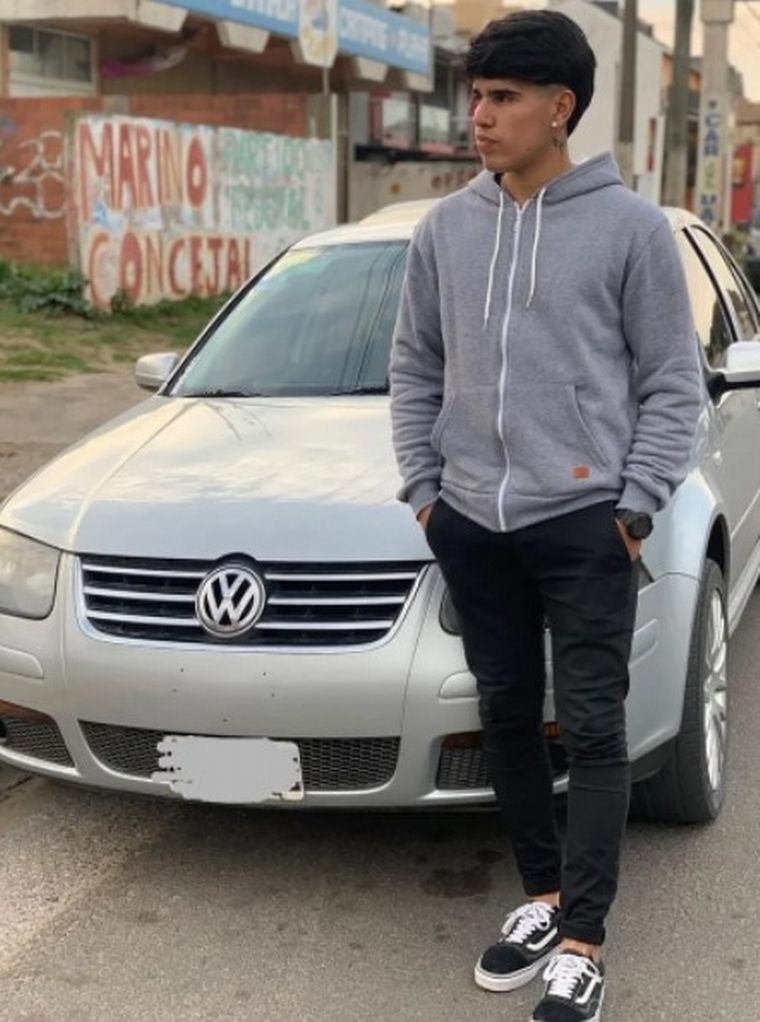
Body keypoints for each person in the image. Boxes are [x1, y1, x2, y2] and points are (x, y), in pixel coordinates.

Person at [388, 10, 702, 1022]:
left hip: (584, 521)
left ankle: (583, 941)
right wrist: (426, 493)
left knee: (596, 728)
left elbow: (672, 385)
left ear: (559, 108)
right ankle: (541, 894)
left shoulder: (631, 230)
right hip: (471, 521)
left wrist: (634, 505)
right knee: (508, 715)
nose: (478, 117)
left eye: (502, 98)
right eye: (475, 97)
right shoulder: (445, 230)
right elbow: (414, 368)